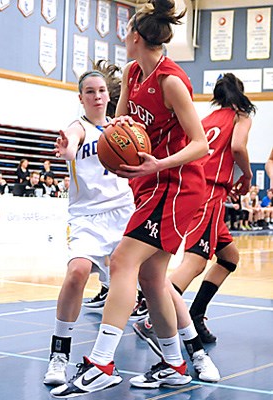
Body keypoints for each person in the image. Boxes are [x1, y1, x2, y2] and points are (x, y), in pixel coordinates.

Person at [50, 1, 209, 397]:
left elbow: (201, 144)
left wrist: (156, 164)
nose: (124, 39)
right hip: (148, 183)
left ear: (136, 37)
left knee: (122, 260)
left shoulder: (171, 81)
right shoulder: (134, 72)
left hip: (176, 184)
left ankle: (102, 362)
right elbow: (119, 123)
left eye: (126, 33)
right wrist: (98, 137)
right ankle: (175, 363)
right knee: (152, 278)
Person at [133, 72, 256, 348]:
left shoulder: (207, 119)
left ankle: (196, 313)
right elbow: (237, 146)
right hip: (211, 191)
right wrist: (247, 176)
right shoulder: (241, 117)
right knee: (196, 261)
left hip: (194, 185)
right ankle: (152, 317)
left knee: (229, 258)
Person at [44, 62, 134, 387]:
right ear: (80, 99)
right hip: (87, 218)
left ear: (108, 96)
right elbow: (70, 141)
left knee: (146, 287)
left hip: (124, 213)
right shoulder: (78, 127)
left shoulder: (121, 129)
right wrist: (66, 147)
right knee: (77, 272)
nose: (96, 96)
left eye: (100, 91)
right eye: (89, 92)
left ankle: (175, 351)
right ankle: (59, 354)